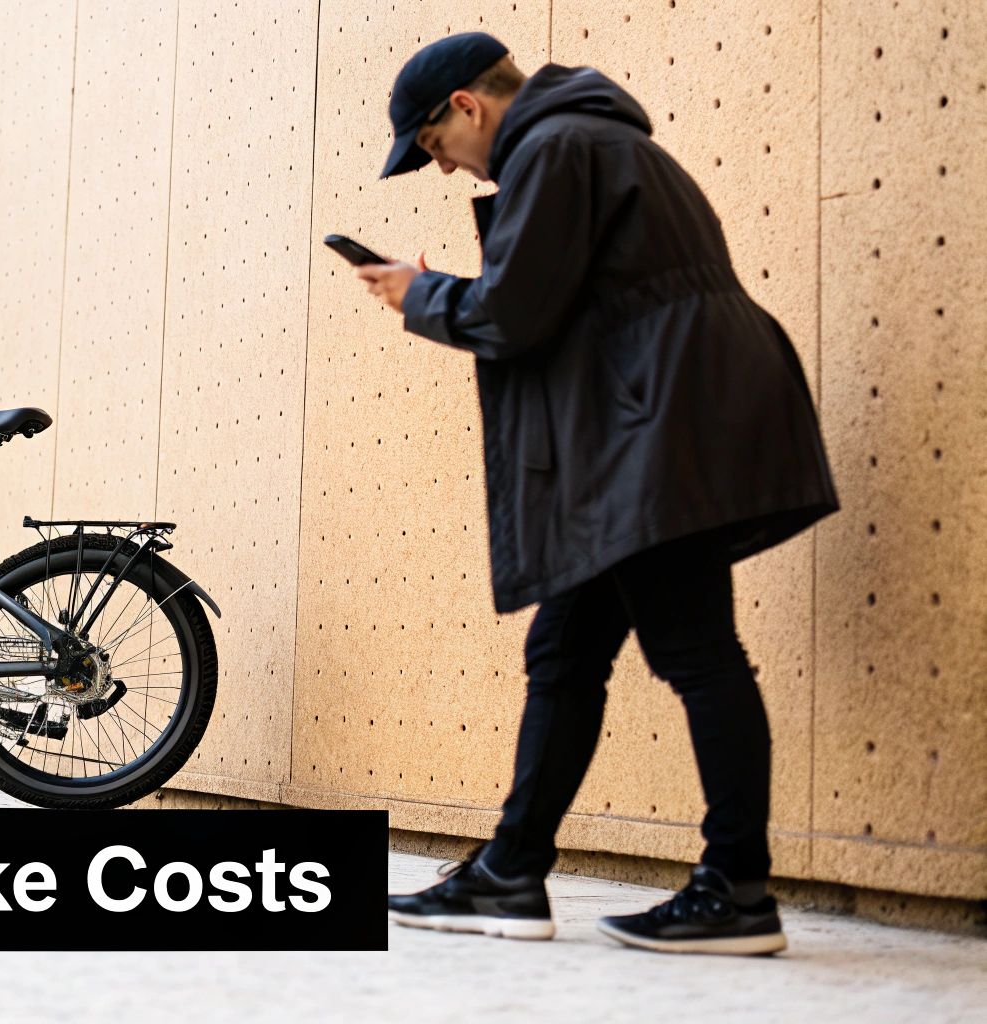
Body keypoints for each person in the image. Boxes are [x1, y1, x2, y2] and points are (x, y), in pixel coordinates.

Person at [356, 32, 840, 955]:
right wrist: (438, 287)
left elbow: (516, 315)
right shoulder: (590, 140)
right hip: (655, 420)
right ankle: (510, 872)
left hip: (654, 430)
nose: (443, 167)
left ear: (465, 106)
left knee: (696, 650)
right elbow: (561, 294)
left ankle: (735, 888)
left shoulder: (555, 147)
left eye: (430, 146)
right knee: (566, 651)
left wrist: (421, 296)